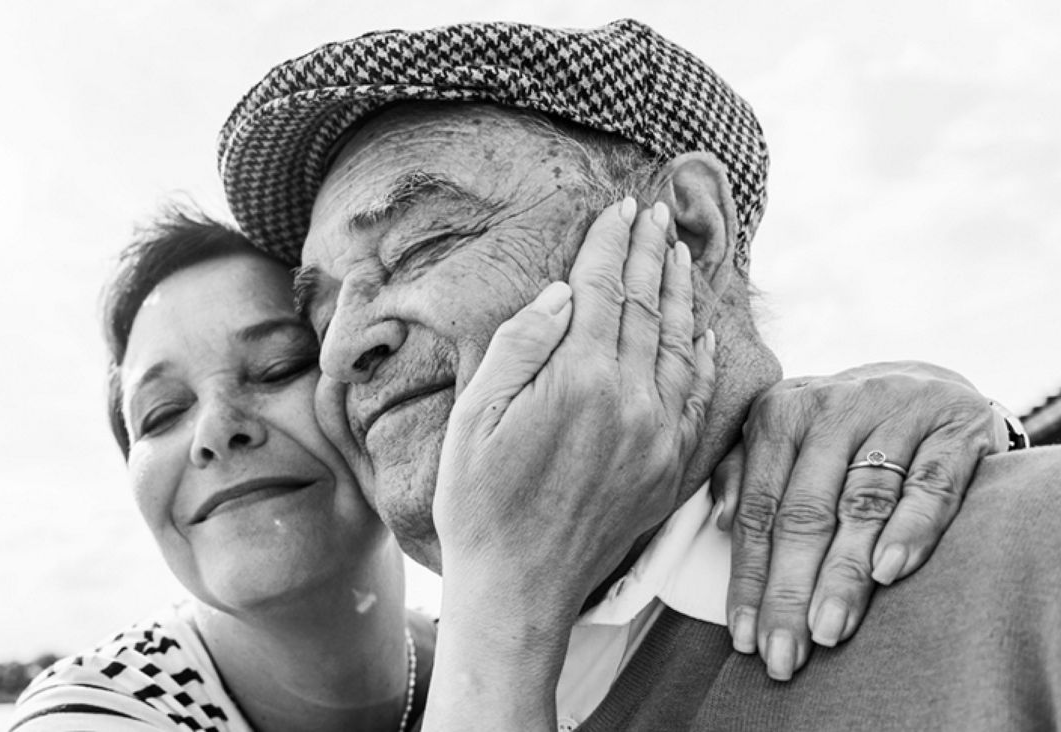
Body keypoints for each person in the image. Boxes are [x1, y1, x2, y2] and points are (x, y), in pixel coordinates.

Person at [215, 18, 1057, 730]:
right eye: (318, 315)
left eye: (422, 244)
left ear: (687, 234)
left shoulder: (1032, 560)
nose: (343, 347)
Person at [13, 205, 1007, 732]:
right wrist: (507, 595)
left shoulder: (531, 650)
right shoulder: (95, 717)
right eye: (158, 413)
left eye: (274, 366)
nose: (213, 431)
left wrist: (905, 415)